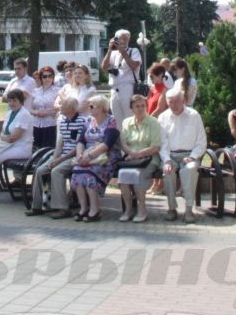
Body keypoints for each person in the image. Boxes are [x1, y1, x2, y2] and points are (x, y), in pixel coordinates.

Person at [26, 98, 88, 217]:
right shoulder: (63, 122)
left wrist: (59, 160)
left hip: (75, 156)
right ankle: (40, 205)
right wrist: (54, 159)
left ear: (70, 108)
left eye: (62, 105)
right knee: (41, 170)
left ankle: (63, 208)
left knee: (56, 171)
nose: (60, 107)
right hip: (62, 156)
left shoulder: (82, 122)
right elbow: (59, 145)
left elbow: (80, 146)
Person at [68, 94, 121, 222]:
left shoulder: (111, 121)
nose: (89, 108)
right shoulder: (88, 121)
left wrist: (90, 156)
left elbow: (107, 144)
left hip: (105, 157)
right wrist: (80, 155)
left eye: (92, 106)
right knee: (77, 172)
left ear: (101, 108)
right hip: (87, 155)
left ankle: (95, 210)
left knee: (90, 174)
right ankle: (83, 208)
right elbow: (81, 141)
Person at [159, 87, 208, 223]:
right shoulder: (162, 117)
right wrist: (167, 160)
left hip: (190, 154)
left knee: (190, 170)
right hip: (171, 155)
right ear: (167, 102)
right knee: (167, 172)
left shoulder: (194, 115)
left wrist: (193, 156)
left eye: (176, 102)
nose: (173, 105)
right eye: (170, 102)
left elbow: (201, 142)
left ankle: (188, 209)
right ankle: (171, 208)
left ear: (183, 101)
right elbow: (162, 143)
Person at [0, 88, 34, 203]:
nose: (11, 103)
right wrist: (5, 137)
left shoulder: (24, 114)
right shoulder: (9, 113)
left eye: (14, 100)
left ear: (21, 101)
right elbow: (4, 134)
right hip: (9, 146)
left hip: (22, 148)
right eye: (10, 100)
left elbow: (14, 137)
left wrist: (4, 137)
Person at [117, 93, 163, 222]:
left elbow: (156, 147)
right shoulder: (126, 122)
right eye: (137, 106)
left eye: (143, 105)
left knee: (138, 175)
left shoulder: (153, 122)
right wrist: (131, 153)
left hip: (149, 159)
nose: (141, 108)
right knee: (122, 175)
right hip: (132, 159)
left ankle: (142, 209)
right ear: (131, 108)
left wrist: (138, 154)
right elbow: (123, 143)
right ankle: (128, 209)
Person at [101, 30, 142, 128]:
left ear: (129, 40)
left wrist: (123, 52)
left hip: (128, 87)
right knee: (117, 118)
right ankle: (121, 137)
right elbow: (104, 67)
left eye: (125, 39)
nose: (122, 41)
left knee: (130, 116)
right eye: (119, 39)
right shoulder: (113, 54)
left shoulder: (133, 51)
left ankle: (132, 135)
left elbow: (134, 66)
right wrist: (109, 50)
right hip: (114, 89)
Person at [30, 66, 60, 150]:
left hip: (51, 125)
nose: (47, 78)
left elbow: (59, 108)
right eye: (45, 76)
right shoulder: (35, 91)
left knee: (48, 150)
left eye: (50, 76)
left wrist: (46, 113)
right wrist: (37, 113)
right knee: (35, 150)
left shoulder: (58, 91)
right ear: (41, 78)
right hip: (36, 125)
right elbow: (30, 108)